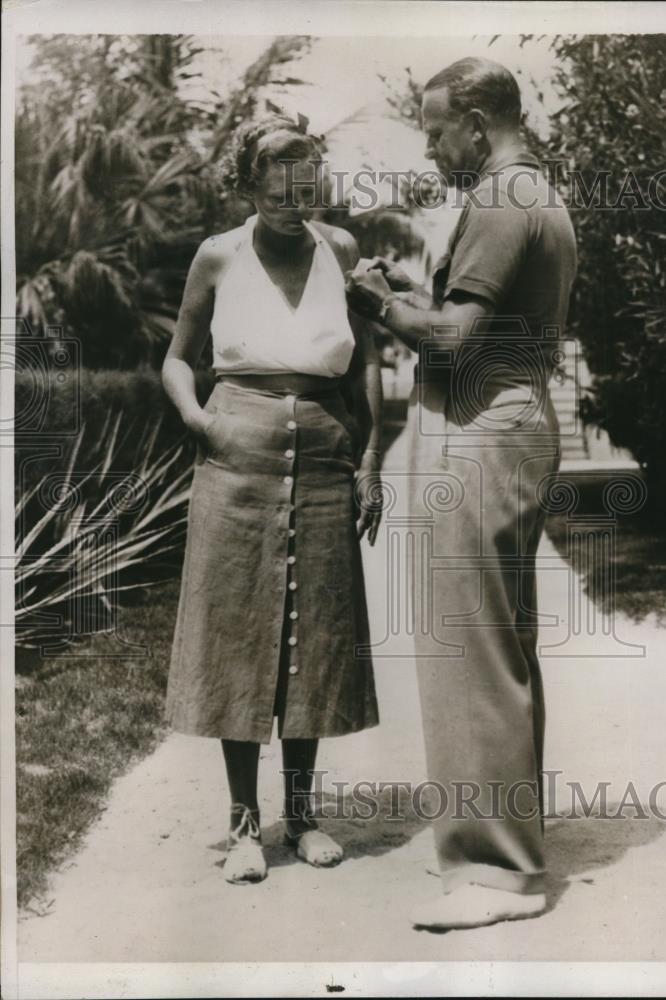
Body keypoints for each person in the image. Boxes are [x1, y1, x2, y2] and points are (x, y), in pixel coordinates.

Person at [346, 57, 577, 929]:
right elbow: (481, 320)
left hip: (479, 426)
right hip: (509, 417)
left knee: (469, 652)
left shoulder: (497, 199)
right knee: (499, 647)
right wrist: (413, 294)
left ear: (479, 124)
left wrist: (376, 303)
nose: (434, 146)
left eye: (439, 129)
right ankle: (510, 851)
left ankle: (496, 871)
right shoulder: (536, 195)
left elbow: (453, 341)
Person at [163, 113, 382, 884]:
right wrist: (199, 420)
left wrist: (371, 461)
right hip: (236, 451)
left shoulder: (343, 251)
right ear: (250, 183)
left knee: (314, 632)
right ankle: (244, 825)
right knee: (239, 631)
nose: (296, 197)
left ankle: (304, 817)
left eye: (308, 182)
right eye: (279, 183)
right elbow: (177, 359)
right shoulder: (217, 255)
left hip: (325, 452)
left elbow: (363, 372)